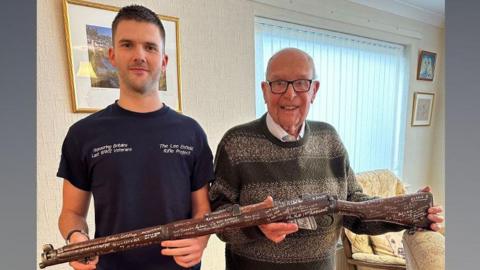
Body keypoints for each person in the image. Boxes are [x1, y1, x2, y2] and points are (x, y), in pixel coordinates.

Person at [209, 48, 444, 270]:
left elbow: (356, 208)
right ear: (265, 90)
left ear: (314, 90)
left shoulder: (329, 138)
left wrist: (408, 213)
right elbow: (216, 219)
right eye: (279, 83)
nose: (290, 94)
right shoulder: (236, 143)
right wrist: (256, 224)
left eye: (301, 83)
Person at [57, 5, 214, 270]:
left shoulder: (191, 133)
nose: (139, 55)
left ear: (164, 61)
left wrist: (201, 239)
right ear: (112, 56)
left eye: (150, 47)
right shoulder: (83, 134)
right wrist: (76, 237)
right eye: (128, 45)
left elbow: (202, 210)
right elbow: (71, 213)